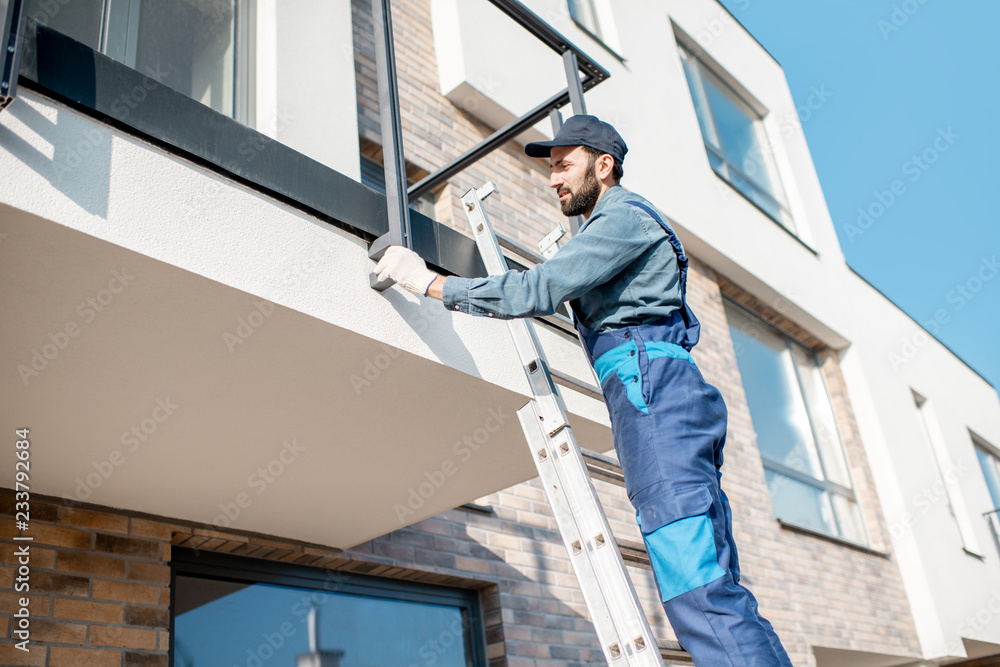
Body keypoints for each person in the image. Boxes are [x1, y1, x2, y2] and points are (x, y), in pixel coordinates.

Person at [374, 114, 792, 666]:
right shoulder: (617, 227)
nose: (553, 180)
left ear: (604, 165)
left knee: (697, 585)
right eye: (551, 170)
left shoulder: (622, 220)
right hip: (660, 389)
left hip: (652, 393)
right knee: (712, 581)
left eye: (563, 166)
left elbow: (538, 287)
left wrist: (428, 283)